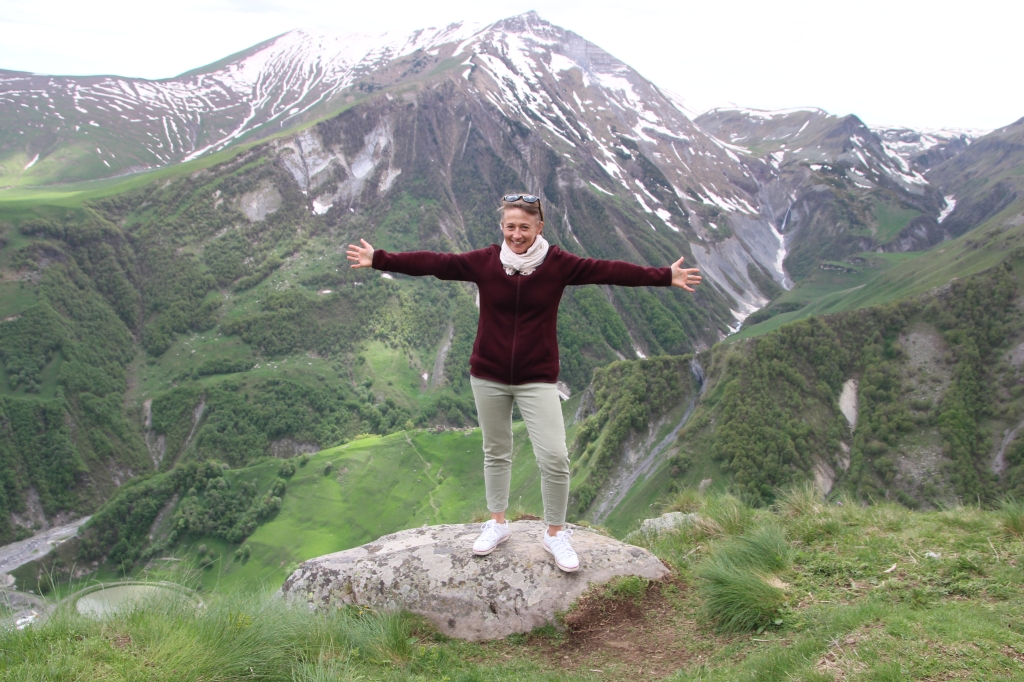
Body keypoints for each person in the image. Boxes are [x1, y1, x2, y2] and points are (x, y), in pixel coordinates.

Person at [347, 193, 701, 572]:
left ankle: (555, 533)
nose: (517, 235)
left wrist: (665, 276)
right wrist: (379, 258)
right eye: (510, 227)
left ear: (539, 228)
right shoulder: (485, 262)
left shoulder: (559, 264)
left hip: (537, 378)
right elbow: (436, 263)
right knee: (496, 451)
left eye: (524, 227)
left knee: (555, 457)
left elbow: (610, 271)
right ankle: (497, 524)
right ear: (502, 227)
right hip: (488, 374)